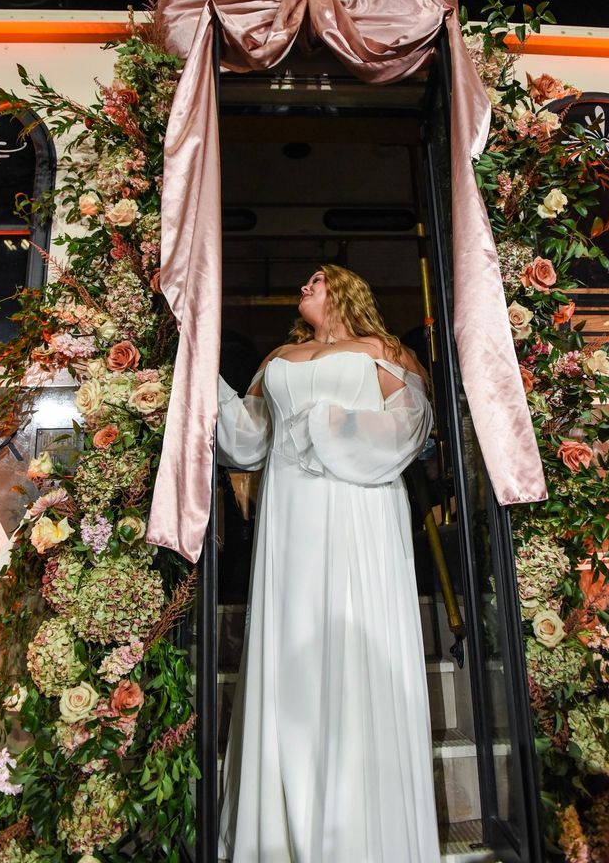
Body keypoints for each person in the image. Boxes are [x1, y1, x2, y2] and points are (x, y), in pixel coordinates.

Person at [217, 264, 441, 863]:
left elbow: (410, 427)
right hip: (292, 509)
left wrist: (328, 426)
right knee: (293, 635)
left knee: (351, 622)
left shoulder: (381, 350)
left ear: (344, 289)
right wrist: (207, 386)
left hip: (358, 505)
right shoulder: (280, 356)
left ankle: (362, 824)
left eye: (318, 277)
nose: (304, 284)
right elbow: (248, 435)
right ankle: (284, 821)